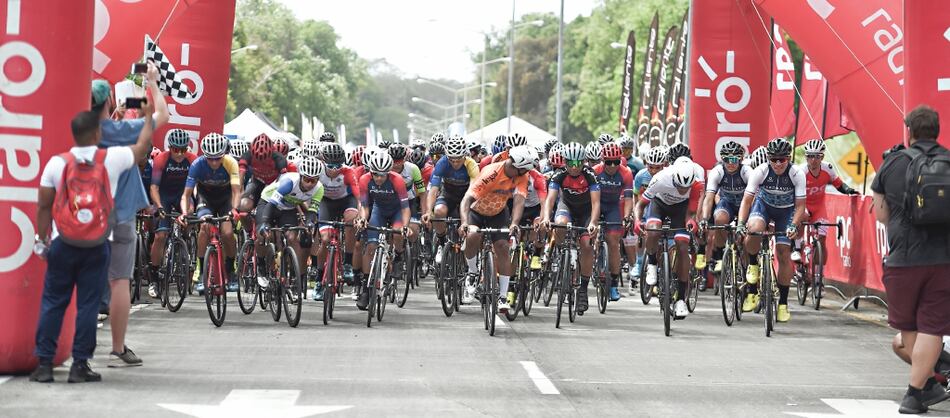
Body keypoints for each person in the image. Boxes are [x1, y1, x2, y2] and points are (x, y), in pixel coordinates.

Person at [31, 107, 154, 383]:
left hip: (63, 242)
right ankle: (80, 365)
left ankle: (45, 365)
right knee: (88, 305)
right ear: (98, 134)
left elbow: (43, 205)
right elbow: (142, 147)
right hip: (98, 244)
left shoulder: (56, 163)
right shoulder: (111, 159)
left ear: (73, 134)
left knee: (53, 302)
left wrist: (41, 239)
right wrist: (147, 117)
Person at [871, 105, 950, 414]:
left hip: (903, 258)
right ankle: (918, 391)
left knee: (909, 328)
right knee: (933, 327)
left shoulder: (893, 163)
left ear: (910, 131)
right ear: (937, 130)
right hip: (943, 258)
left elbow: (881, 215)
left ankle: (921, 388)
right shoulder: (948, 160)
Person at [93, 64, 169, 369]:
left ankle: (75, 346)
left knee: (82, 279)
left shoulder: (79, 132)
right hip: (122, 215)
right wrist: (152, 82)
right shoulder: (122, 131)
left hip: (85, 216)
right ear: (109, 103)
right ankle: (117, 347)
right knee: (119, 282)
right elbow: (161, 114)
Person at [459, 146, 537, 311]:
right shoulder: (491, 173)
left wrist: (514, 223)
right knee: (472, 236)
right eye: (525, 170)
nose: (526, 173)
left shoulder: (522, 176)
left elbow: (519, 201)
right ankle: (472, 273)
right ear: (517, 166)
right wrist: (464, 222)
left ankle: (502, 296)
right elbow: (467, 199)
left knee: (503, 247)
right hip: (476, 211)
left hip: (498, 213)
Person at [737, 138, 805, 322]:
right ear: (768, 159)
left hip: (786, 212)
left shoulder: (797, 173)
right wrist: (741, 223)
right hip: (764, 207)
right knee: (754, 229)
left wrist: (793, 225)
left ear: (789, 158)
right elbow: (747, 201)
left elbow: (800, 206)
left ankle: (783, 303)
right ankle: (753, 264)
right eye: (774, 159)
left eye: (782, 159)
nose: (778, 164)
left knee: (784, 253)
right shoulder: (760, 171)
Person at [541, 142, 601, 314]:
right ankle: (563, 254)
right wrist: (546, 218)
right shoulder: (559, 174)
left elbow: (596, 203)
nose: (574, 167)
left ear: (584, 162)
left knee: (587, 245)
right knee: (560, 224)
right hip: (567, 207)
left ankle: (583, 289)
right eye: (570, 163)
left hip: (586, 212)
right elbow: (550, 199)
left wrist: (593, 222)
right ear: (565, 162)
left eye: (578, 163)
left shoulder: (590, 175)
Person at [633, 161, 698, 319]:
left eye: (686, 188)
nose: (682, 190)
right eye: (679, 186)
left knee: (683, 246)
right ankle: (652, 264)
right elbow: (640, 205)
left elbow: (692, 211)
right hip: (659, 205)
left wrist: (692, 221)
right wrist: (637, 221)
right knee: (653, 230)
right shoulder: (661, 179)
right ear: (674, 178)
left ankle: (681, 299)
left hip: (680, 210)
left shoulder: (696, 185)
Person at [180, 133, 242, 293]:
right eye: (210, 159)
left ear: (223, 155)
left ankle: (231, 271)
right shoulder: (197, 164)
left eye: (218, 158)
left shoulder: (231, 162)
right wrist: (184, 213)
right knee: (204, 228)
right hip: (205, 198)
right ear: (204, 156)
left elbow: (236, 192)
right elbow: (186, 195)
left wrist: (235, 209)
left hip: (225, 199)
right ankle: (201, 273)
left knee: (228, 233)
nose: (214, 162)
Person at [355, 152, 412, 310]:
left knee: (397, 232)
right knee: (371, 246)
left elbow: (405, 208)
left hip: (397, 211)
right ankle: (366, 289)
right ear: (370, 172)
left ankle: (399, 256)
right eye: (376, 174)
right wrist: (362, 219)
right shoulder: (364, 179)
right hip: (378, 211)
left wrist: (405, 226)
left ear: (388, 172)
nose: (379, 178)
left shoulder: (397, 180)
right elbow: (364, 206)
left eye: (383, 175)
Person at [148, 129, 197, 298]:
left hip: (184, 194)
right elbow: (154, 187)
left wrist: (193, 205)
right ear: (170, 148)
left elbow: (196, 186)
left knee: (189, 212)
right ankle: (154, 277)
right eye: (176, 149)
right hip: (165, 196)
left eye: (183, 149)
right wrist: (159, 206)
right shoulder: (161, 159)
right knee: (160, 236)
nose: (180, 153)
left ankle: (186, 245)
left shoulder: (192, 159)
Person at [795, 139, 858, 267]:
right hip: (803, 206)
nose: (813, 160)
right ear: (806, 157)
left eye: (817, 156)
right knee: (803, 216)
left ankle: (818, 273)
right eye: (810, 156)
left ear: (822, 157)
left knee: (822, 240)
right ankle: (797, 247)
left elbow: (838, 184)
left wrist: (849, 190)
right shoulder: (801, 171)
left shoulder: (828, 168)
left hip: (819, 208)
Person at [592, 143, 633, 301]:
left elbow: (628, 198)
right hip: (595, 204)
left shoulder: (626, 173)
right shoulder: (595, 171)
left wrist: (627, 216)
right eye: (609, 162)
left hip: (613, 207)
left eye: (616, 162)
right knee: (588, 236)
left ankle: (614, 284)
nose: (613, 166)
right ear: (603, 161)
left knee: (614, 242)